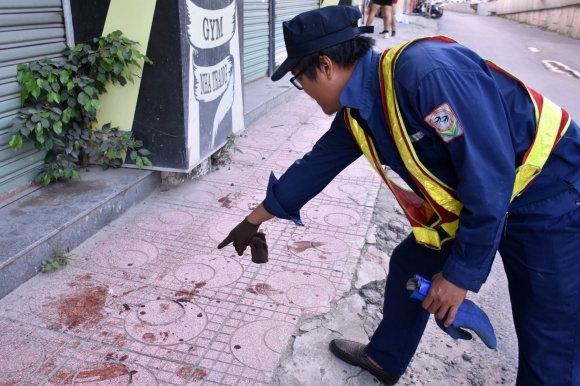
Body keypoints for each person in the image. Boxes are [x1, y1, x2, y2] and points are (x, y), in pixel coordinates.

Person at [217, 5, 580, 385]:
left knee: (547, 326)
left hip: (547, 192)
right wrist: (252, 221)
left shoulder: (426, 77)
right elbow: (314, 167)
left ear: (325, 66)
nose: (303, 90)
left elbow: (488, 181)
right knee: (411, 262)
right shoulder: (360, 109)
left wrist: (457, 277)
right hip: (486, 195)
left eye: (298, 79)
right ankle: (385, 358)